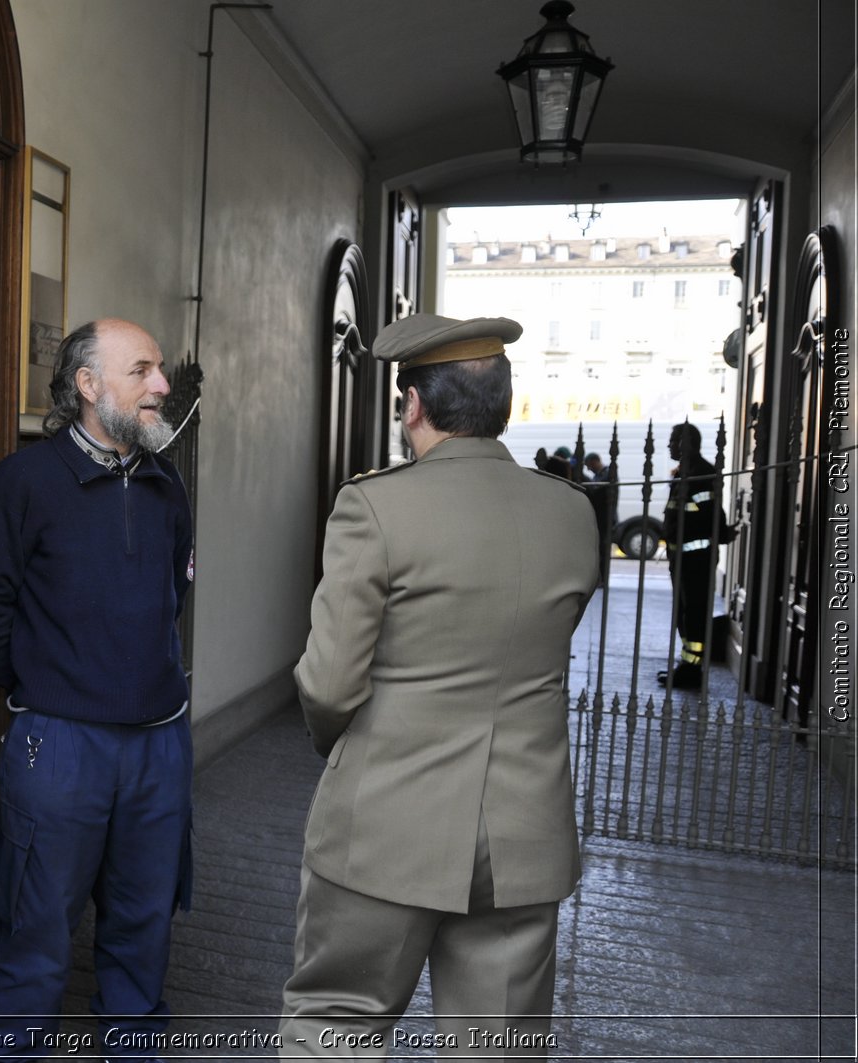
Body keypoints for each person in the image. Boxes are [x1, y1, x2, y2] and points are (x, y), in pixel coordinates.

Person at [280, 313, 600, 1059]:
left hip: (389, 822)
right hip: (523, 835)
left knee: (338, 1025)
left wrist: (349, 751)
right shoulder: (572, 514)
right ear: (504, 408)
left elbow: (328, 685)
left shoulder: (375, 505)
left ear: (413, 407)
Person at [0, 319, 195, 1062]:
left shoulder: (165, 486)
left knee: (142, 939)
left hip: (158, 748)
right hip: (59, 749)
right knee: (34, 942)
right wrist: (47, 676)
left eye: (158, 371)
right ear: (88, 387)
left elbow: (167, 599)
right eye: (143, 370)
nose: (161, 385)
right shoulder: (24, 483)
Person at [657, 422, 718, 690]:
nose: (670, 445)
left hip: (696, 558)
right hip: (680, 558)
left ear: (688, 444)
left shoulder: (702, 473)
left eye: (674, 440)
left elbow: (709, 516)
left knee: (693, 615)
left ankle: (692, 670)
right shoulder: (684, 472)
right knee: (684, 614)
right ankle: (685, 665)